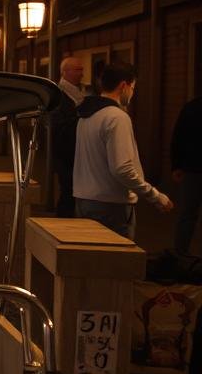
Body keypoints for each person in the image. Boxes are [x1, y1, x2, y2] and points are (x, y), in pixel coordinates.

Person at [73, 62, 173, 240]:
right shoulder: (117, 117)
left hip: (83, 201)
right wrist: (155, 195)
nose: (133, 93)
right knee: (116, 265)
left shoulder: (85, 116)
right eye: (133, 88)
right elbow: (122, 169)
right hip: (111, 206)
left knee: (93, 261)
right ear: (123, 86)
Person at [50, 56, 87, 217]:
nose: (82, 74)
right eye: (78, 69)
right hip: (65, 154)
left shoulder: (80, 92)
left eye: (82, 69)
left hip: (75, 153)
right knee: (68, 192)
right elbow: (59, 127)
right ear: (65, 72)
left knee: (72, 192)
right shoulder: (59, 95)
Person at [170, 95, 202, 256]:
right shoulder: (191, 108)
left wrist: (176, 165)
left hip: (191, 168)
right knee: (187, 214)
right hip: (192, 168)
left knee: (187, 214)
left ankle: (180, 254)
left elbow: (178, 137)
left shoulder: (191, 107)